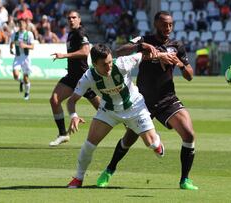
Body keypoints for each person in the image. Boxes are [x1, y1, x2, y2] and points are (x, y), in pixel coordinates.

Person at [96, 11, 198, 190]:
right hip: (142, 101)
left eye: (170, 25)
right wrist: (142, 46)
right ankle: (109, 170)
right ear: (156, 24)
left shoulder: (177, 46)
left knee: (189, 134)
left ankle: (185, 180)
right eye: (164, 24)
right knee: (128, 139)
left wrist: (180, 65)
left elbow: (190, 75)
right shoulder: (144, 39)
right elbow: (120, 51)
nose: (168, 28)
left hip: (167, 99)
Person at [66, 43, 164, 188]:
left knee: (153, 145)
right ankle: (78, 178)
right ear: (94, 64)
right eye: (104, 64)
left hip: (135, 107)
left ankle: (157, 143)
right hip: (109, 110)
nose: (109, 67)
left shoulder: (123, 63)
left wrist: (162, 55)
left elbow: (143, 55)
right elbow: (71, 100)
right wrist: (73, 115)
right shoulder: (88, 77)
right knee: (89, 145)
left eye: (110, 62)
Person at [49, 10, 100, 146]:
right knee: (54, 100)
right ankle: (63, 134)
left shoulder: (80, 33)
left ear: (79, 19)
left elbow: (85, 52)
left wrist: (64, 56)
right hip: (72, 76)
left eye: (74, 17)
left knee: (103, 109)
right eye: (69, 18)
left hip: (84, 77)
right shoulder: (71, 34)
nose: (71, 20)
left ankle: (129, 124)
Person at [9, 18, 34, 100]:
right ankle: (21, 82)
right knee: (15, 75)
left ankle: (27, 93)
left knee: (26, 77)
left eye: (23, 24)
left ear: (25, 25)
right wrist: (11, 49)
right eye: (20, 24)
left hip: (26, 58)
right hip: (17, 57)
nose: (21, 26)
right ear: (18, 25)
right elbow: (11, 43)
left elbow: (32, 46)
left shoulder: (29, 34)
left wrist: (25, 46)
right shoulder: (15, 34)